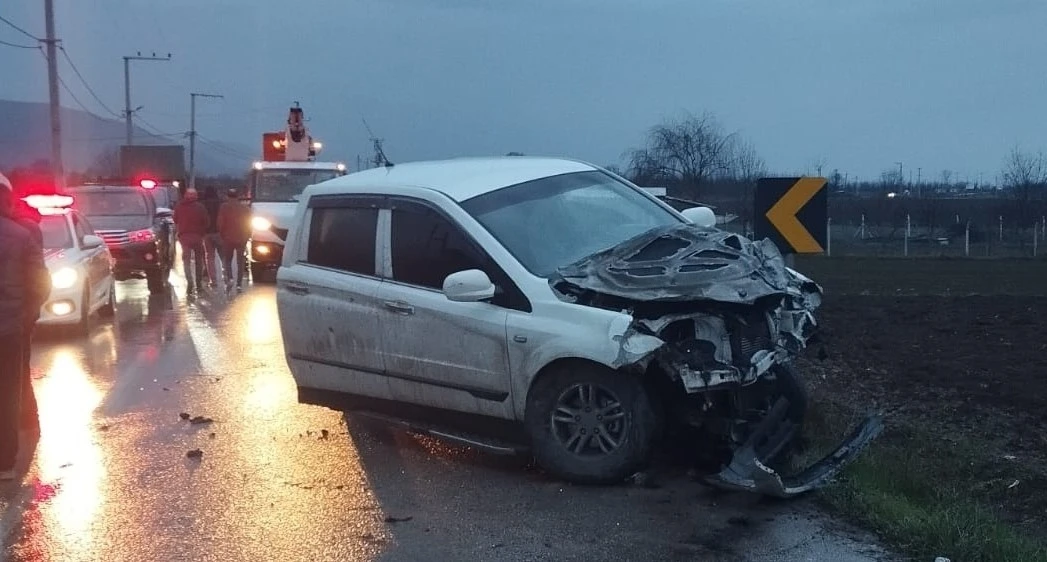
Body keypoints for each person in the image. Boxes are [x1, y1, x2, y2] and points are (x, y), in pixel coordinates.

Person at [0, 173, 49, 481]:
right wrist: (27, 315)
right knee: (9, 389)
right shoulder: (21, 234)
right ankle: (5, 460)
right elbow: (40, 284)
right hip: (9, 327)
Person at [11, 190, 50, 434]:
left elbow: (37, 278)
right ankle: (26, 422)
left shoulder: (22, 231)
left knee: (17, 369)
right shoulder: (26, 229)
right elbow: (39, 281)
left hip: (16, 315)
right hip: (19, 315)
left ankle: (24, 422)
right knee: (20, 368)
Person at [173, 188, 210, 294]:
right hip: (198, 237)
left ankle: (190, 283)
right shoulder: (200, 207)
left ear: (185, 195)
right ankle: (198, 284)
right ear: (196, 196)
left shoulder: (179, 206)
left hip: (184, 237)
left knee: (186, 261)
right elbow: (206, 222)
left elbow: (175, 220)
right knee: (199, 261)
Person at [217, 188, 252, 291]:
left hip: (228, 238)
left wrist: (221, 234)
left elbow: (220, 223)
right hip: (241, 237)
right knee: (240, 261)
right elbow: (249, 223)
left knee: (228, 260)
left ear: (228, 196)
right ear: (238, 196)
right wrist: (247, 235)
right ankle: (239, 284)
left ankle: (230, 278)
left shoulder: (224, 207)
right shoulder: (245, 208)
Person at [200, 186, 222, 288]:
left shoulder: (202, 205)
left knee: (210, 257)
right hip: (219, 233)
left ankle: (213, 280)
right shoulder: (221, 204)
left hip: (207, 233)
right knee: (224, 257)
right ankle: (227, 277)